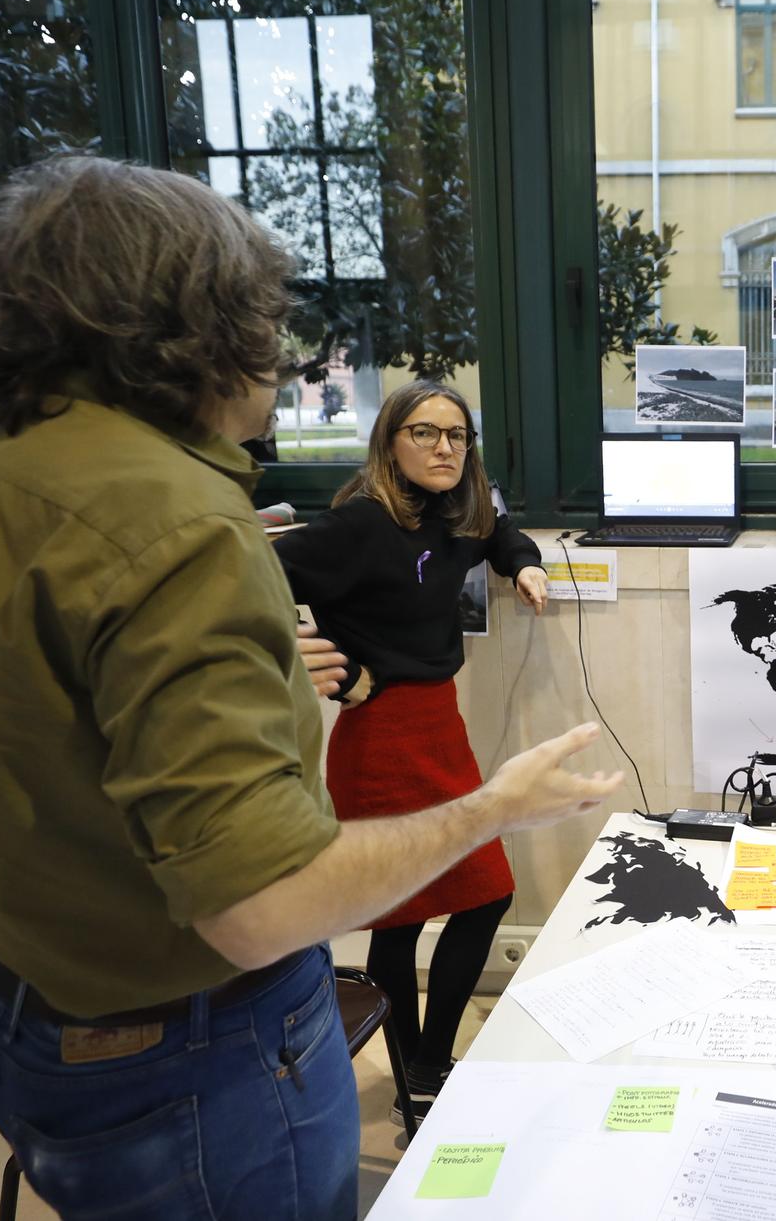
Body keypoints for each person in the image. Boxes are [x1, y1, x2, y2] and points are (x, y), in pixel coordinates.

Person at [0, 155, 624, 1221]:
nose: (281, 351)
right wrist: (498, 806)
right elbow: (262, 903)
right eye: (269, 318)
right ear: (204, 322)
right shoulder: (174, 517)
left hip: (36, 1006)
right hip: (188, 1049)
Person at [274, 379, 549, 1121]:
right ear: (390, 442)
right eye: (424, 433)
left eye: (457, 435)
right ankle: (416, 1078)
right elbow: (249, 581)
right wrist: (329, 666)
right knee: (400, 916)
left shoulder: (456, 512)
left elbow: (498, 531)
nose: (444, 447)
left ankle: (427, 1061)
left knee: (484, 891)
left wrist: (523, 563)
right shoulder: (361, 525)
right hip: (382, 738)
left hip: (440, 728)